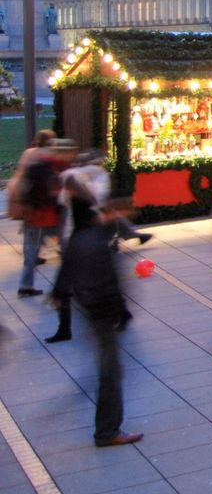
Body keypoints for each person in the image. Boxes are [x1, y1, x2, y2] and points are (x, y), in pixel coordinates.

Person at [52, 174, 142, 447]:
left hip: (91, 307)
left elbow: (69, 267)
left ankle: (108, 429)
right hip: (100, 310)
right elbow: (106, 281)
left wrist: (61, 293)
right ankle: (107, 431)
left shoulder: (87, 233)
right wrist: (120, 312)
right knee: (110, 372)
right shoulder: (97, 241)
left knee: (109, 370)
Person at [17, 138, 73, 297]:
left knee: (31, 254)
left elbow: (25, 190)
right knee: (66, 251)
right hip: (45, 217)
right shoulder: (53, 167)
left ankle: (25, 286)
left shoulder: (37, 166)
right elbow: (54, 193)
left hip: (36, 217)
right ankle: (64, 287)